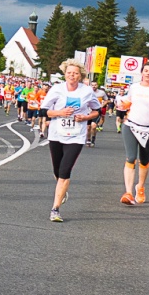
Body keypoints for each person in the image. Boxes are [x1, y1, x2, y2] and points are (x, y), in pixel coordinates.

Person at [40, 59, 101, 222]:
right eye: (69, 73)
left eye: (75, 73)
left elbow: (97, 111)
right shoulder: (57, 89)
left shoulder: (87, 91)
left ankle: (55, 209)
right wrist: (60, 112)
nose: (72, 75)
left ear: (80, 75)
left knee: (65, 171)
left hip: (76, 135)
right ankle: (62, 190)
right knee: (57, 171)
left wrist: (86, 117)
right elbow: (44, 112)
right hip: (57, 134)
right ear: (65, 74)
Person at [117, 63, 149, 205]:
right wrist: (123, 105)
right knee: (131, 157)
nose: (148, 73)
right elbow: (129, 102)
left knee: (144, 160)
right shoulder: (134, 87)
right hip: (131, 125)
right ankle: (128, 193)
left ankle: (140, 186)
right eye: (145, 71)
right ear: (141, 73)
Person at [86, 80, 107, 147]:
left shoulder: (101, 93)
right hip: (88, 111)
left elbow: (106, 100)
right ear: (90, 86)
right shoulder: (86, 92)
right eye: (92, 85)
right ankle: (88, 139)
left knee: (94, 126)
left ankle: (93, 139)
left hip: (96, 111)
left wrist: (102, 105)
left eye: (95, 85)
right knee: (88, 127)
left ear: (97, 85)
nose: (93, 86)